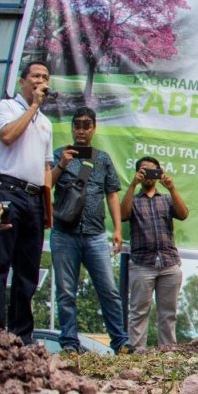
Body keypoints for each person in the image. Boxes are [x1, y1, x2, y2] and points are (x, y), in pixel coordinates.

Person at [50, 107, 127, 353]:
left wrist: (117, 229)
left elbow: (112, 194)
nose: (81, 130)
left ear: (94, 128)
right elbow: (46, 184)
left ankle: (120, 342)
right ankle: (69, 343)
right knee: (65, 292)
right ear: (72, 128)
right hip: (64, 233)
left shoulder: (103, 158)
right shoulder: (58, 154)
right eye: (77, 125)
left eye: (86, 125)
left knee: (109, 291)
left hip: (95, 234)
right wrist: (62, 164)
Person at [0, 61, 53, 345]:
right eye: (35, 76)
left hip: (34, 199)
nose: (40, 80)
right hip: (6, 191)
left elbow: (46, 167)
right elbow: (7, 136)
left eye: (45, 76)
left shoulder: (46, 122)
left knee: (28, 270)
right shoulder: (7, 107)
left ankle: (21, 336)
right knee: (1, 263)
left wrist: (48, 209)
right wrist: (33, 106)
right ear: (23, 82)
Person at [121, 156, 188, 349]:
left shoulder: (166, 199)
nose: (148, 175)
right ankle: (137, 353)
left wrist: (172, 188)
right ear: (138, 174)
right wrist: (132, 185)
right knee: (138, 312)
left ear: (159, 174)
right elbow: (123, 214)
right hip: (142, 263)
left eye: (152, 170)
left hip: (169, 263)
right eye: (144, 171)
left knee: (168, 313)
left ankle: (168, 352)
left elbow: (183, 214)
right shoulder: (133, 200)